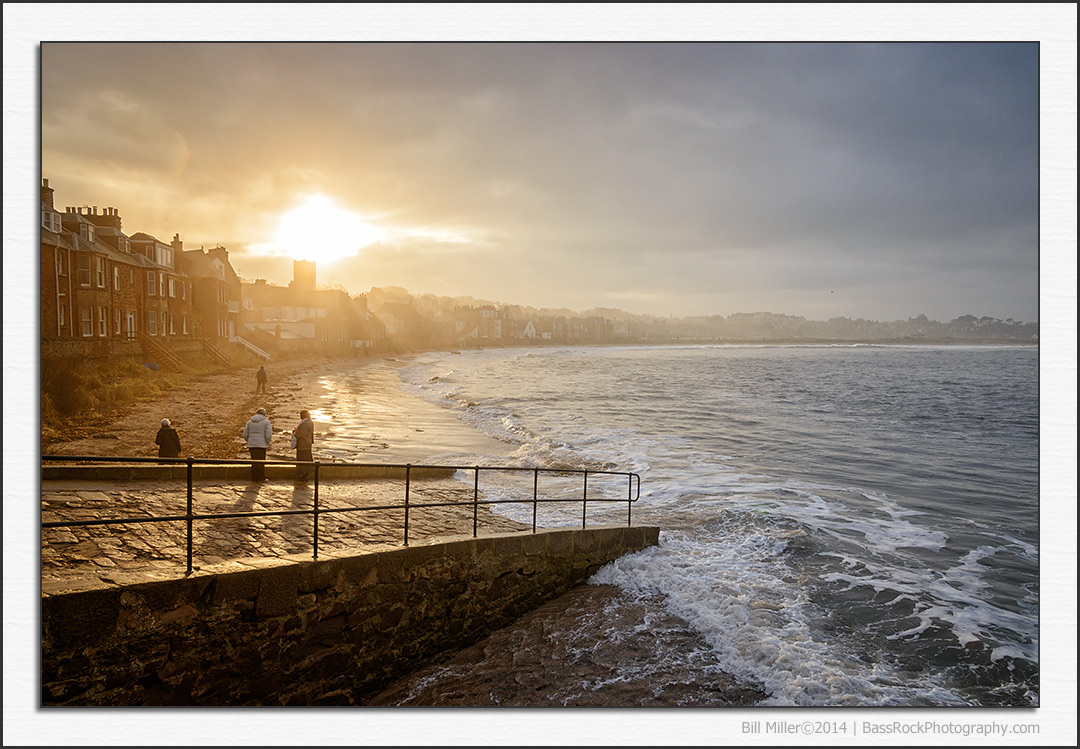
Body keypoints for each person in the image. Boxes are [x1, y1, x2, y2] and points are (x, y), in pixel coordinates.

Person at [242, 407, 273, 481]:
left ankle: (254, 477)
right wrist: (267, 442)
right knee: (261, 462)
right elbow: (268, 435)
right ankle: (261, 477)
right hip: (261, 445)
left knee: (254, 461)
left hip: (251, 444)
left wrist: (249, 441)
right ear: (264, 414)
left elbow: (245, 434)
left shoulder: (249, 422)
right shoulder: (266, 422)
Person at [292, 409, 314, 481]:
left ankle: (303, 475)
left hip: (303, 444)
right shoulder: (308, 422)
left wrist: (295, 434)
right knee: (307, 459)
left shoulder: (305, 423)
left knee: (302, 459)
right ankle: (305, 475)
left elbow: (303, 434)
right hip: (307, 444)